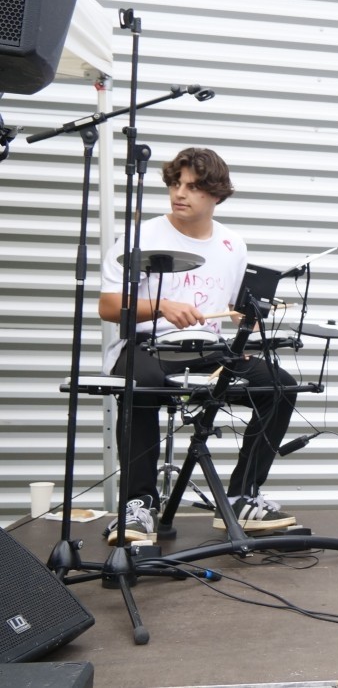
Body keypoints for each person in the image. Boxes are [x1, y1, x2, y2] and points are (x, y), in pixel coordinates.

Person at [99, 147, 298, 544]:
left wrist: (247, 318)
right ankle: (138, 505)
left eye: (192, 187)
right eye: (176, 184)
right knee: (141, 385)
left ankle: (242, 496)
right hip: (147, 347)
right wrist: (161, 306)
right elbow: (107, 306)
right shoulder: (141, 237)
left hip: (210, 350)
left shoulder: (231, 244)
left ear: (216, 194)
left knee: (280, 386)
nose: (179, 193)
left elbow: (228, 309)